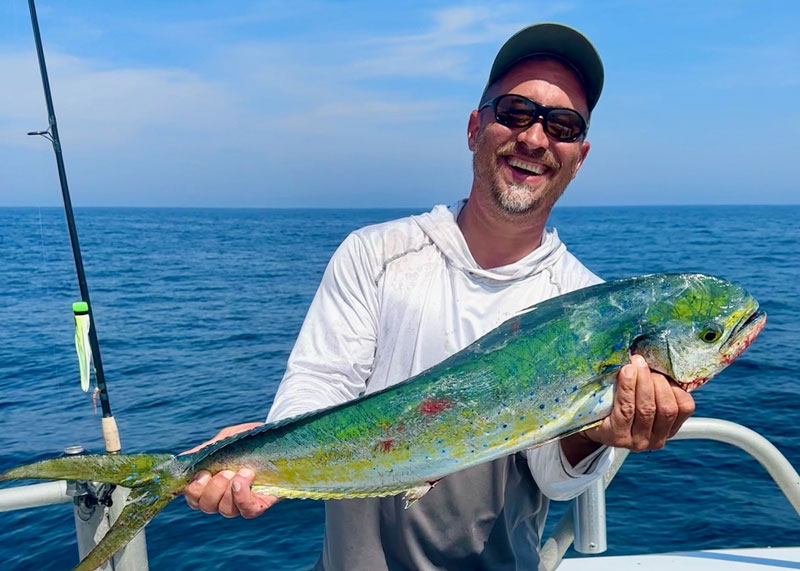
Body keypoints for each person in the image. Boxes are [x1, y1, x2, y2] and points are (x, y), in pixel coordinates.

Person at [184, 23, 696, 570]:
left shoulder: (585, 303)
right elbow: (318, 382)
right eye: (515, 112)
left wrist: (599, 430)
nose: (534, 138)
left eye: (562, 125)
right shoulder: (375, 254)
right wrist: (263, 455)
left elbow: (556, 479)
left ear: (579, 155)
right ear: (476, 127)